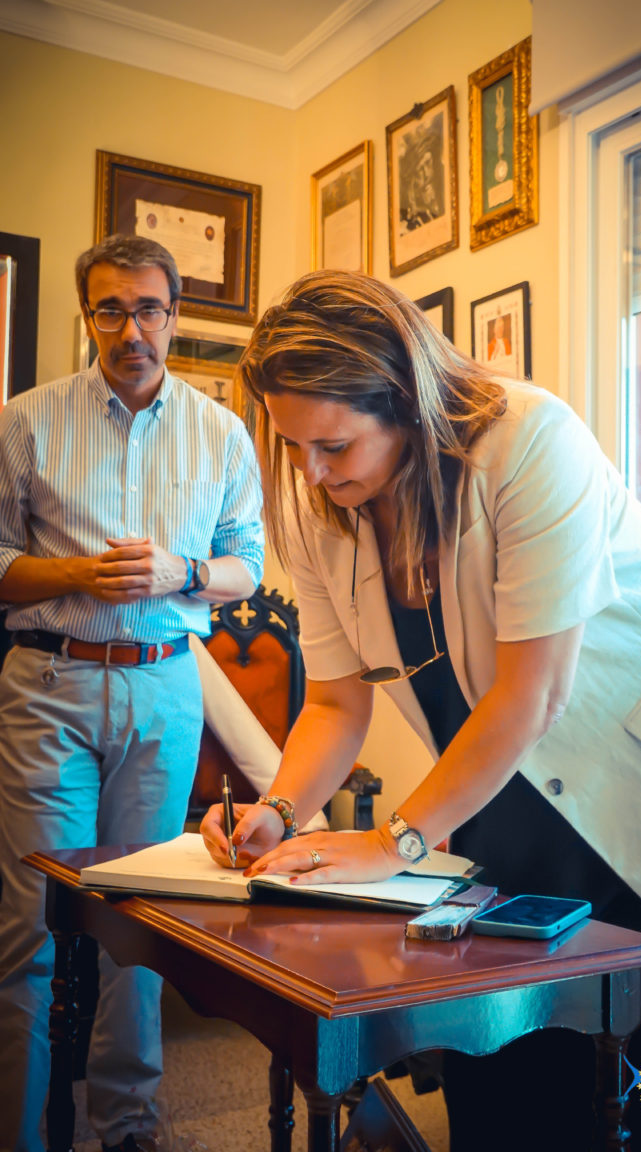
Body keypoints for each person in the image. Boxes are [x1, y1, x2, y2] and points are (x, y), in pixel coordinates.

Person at [201, 270, 641, 1150]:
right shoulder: (321, 507)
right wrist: (281, 810)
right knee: (498, 1044)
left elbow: (533, 689)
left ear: (406, 406)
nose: (311, 471)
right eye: (295, 445)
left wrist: (392, 845)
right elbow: (337, 703)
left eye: (336, 445)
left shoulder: (530, 438)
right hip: (506, 768)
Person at [0, 234, 264, 1152]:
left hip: (164, 692)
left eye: (147, 308)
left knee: (143, 925)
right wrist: (76, 572)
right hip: (50, 684)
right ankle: (23, 1132)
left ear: (174, 316)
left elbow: (249, 569)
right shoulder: (25, 420)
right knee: (31, 930)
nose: (130, 327)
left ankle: (129, 1128)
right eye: (109, 308)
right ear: (88, 317)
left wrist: (183, 569)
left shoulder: (223, 431)